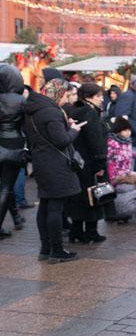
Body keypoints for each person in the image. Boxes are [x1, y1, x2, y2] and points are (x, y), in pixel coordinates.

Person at [24, 76, 83, 263]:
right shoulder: (51, 111)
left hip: (41, 161)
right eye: (67, 94)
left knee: (45, 204)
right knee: (55, 207)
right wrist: (74, 130)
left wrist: (65, 125)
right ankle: (56, 251)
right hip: (55, 163)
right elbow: (61, 140)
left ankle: (45, 248)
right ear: (59, 93)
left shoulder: (34, 108)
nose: (67, 99)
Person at [65, 83, 109, 244]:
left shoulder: (75, 109)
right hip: (90, 161)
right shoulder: (90, 112)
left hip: (78, 160)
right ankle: (91, 231)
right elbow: (95, 140)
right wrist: (100, 163)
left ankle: (76, 230)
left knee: (79, 196)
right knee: (93, 195)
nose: (101, 99)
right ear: (89, 97)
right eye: (98, 96)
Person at [0, 65, 27, 238]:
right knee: (6, 187)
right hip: (14, 144)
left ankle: (15, 217)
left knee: (4, 186)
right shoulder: (21, 100)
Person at [107, 116, 135, 184]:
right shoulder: (112, 143)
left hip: (127, 173)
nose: (128, 132)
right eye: (125, 130)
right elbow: (109, 161)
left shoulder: (128, 142)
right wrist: (112, 177)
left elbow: (128, 154)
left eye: (129, 130)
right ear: (118, 131)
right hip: (116, 176)